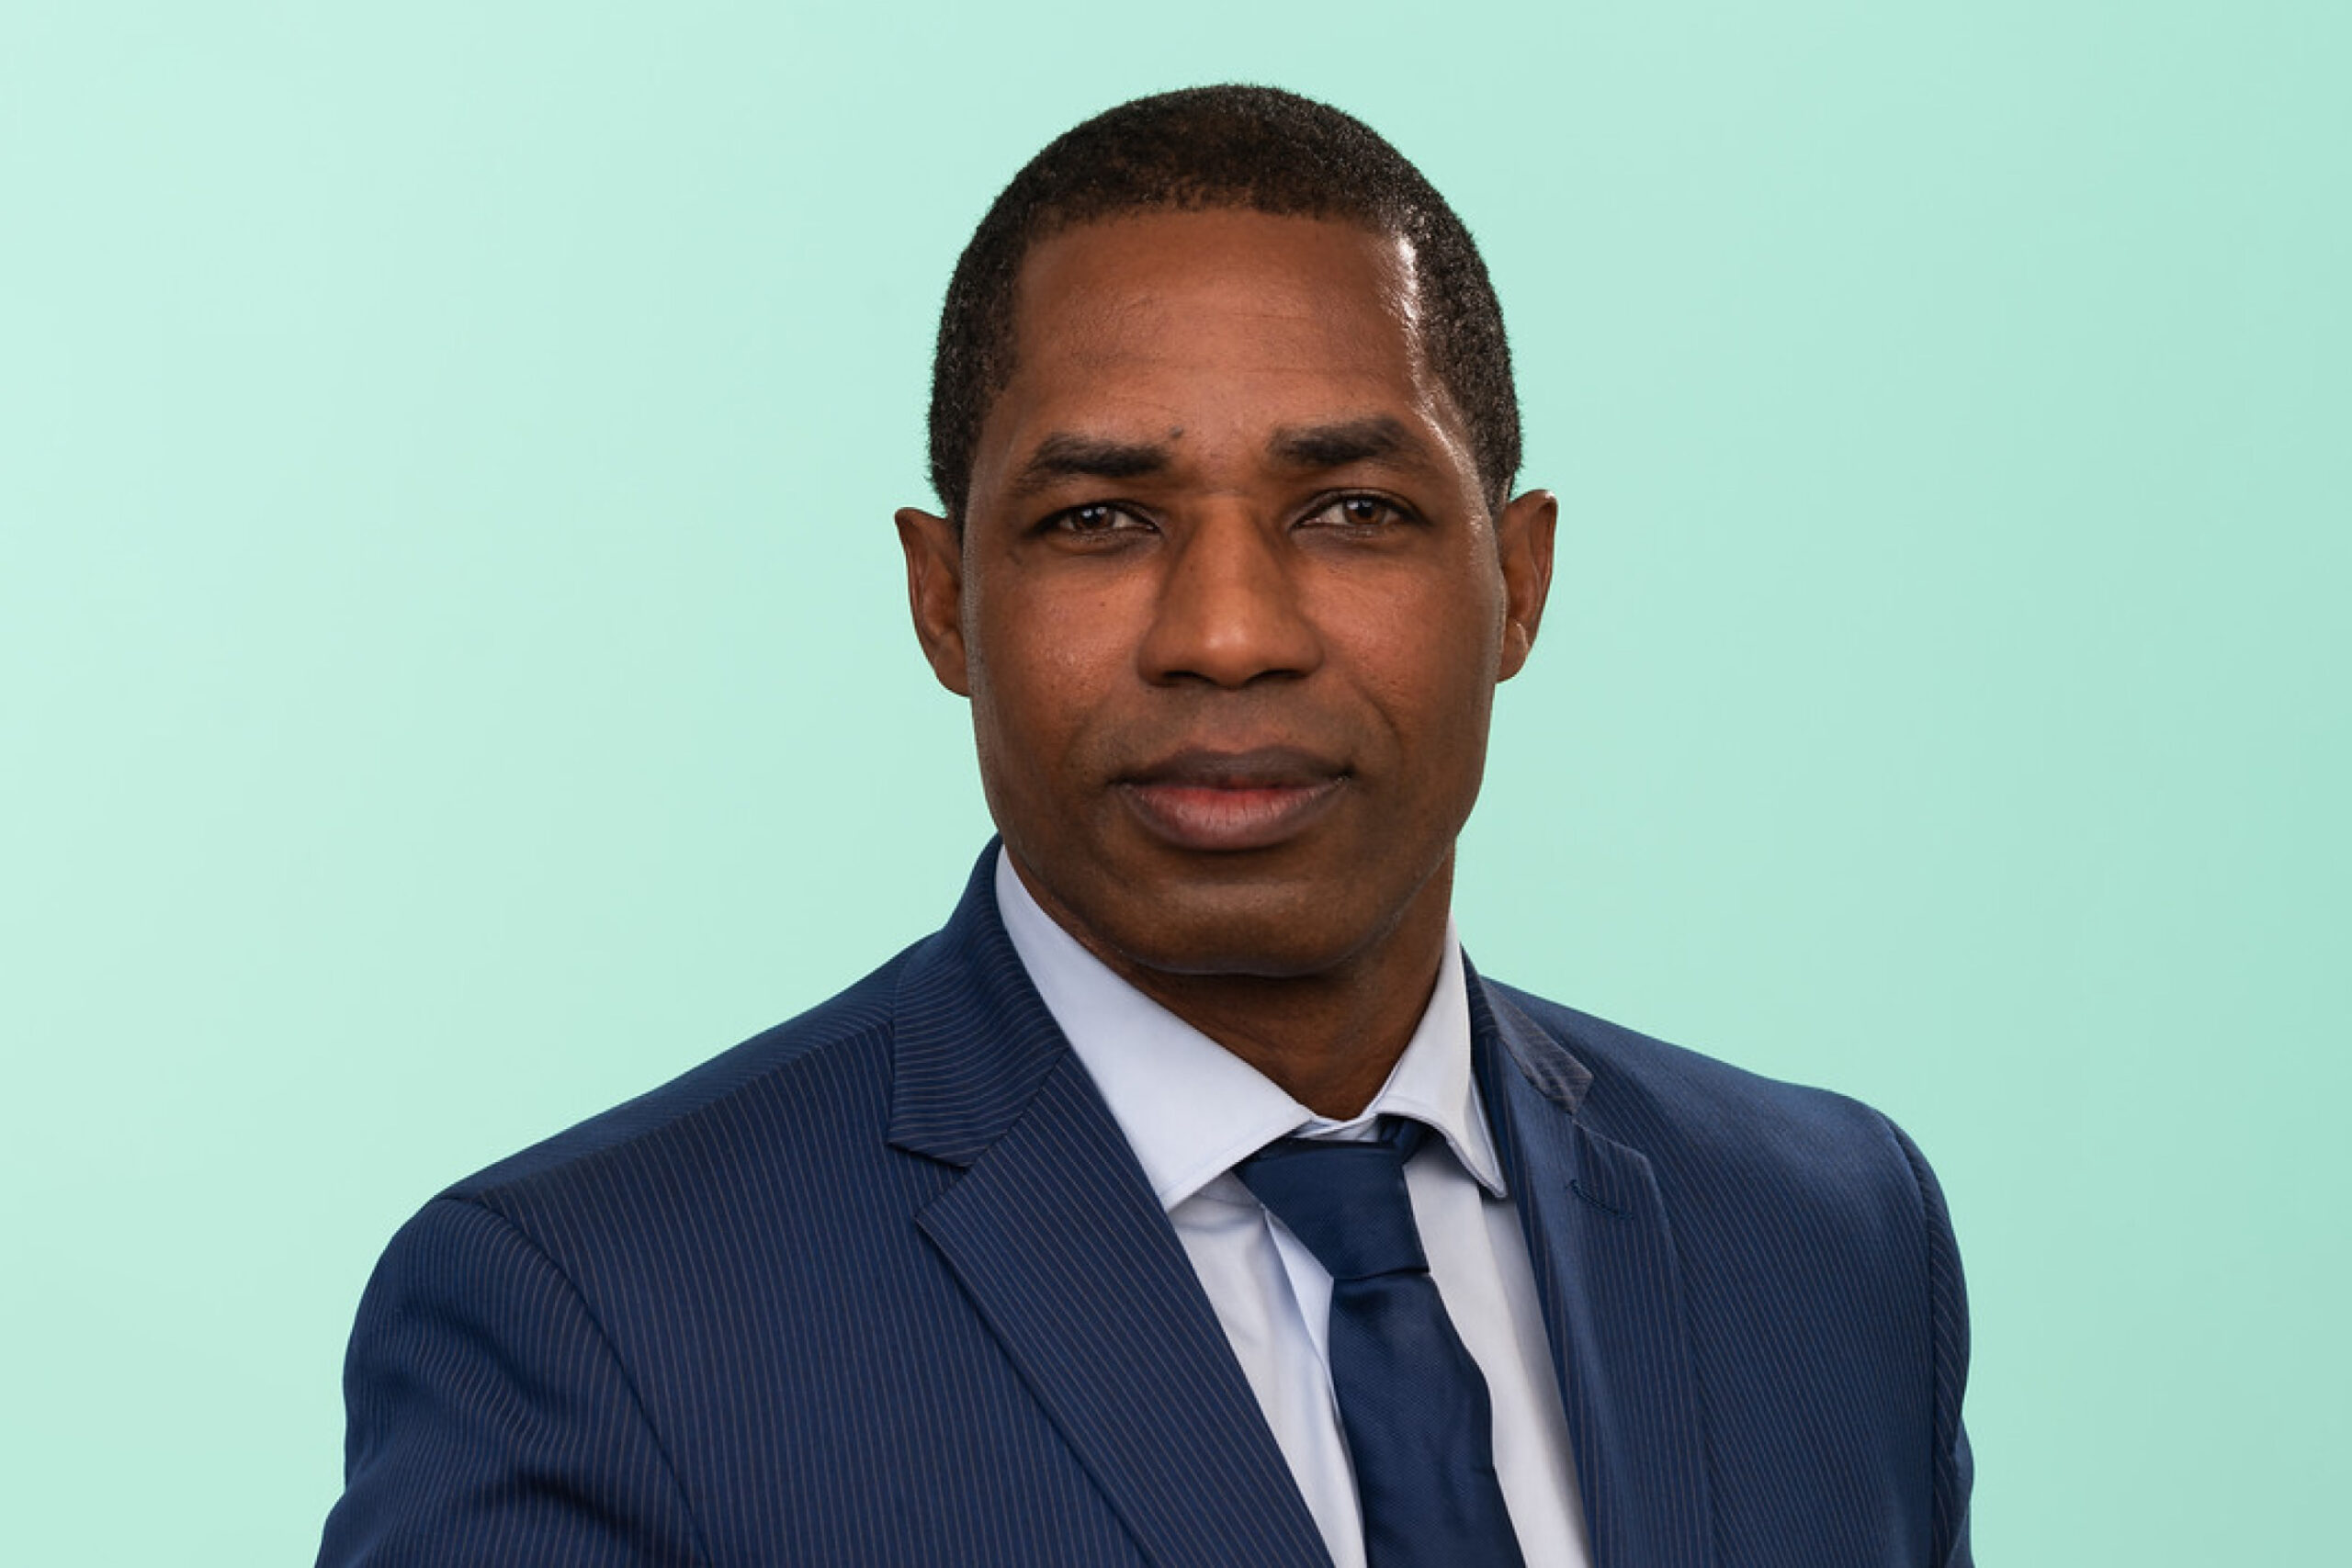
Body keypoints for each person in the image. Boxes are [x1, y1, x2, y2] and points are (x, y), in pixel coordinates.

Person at [318, 86, 1973, 1568]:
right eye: (1100, 518)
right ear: (943, 601)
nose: (1229, 629)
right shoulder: (589, 1323)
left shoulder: (1829, 1244)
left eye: (1352, 511)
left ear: (1518, 580)